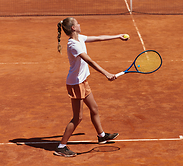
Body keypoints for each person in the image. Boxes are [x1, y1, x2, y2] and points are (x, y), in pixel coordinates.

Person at [54, 17, 128, 157]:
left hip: (82, 81)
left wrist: (117, 36)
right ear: (73, 28)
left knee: (94, 108)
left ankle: (101, 136)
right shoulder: (73, 45)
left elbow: (99, 38)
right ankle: (61, 146)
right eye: (77, 23)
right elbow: (89, 60)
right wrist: (106, 73)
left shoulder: (79, 38)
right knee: (78, 117)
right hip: (76, 83)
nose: (79, 24)